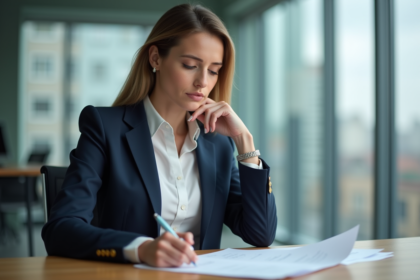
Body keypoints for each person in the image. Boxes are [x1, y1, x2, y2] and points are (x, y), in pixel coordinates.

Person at [42, 3, 277, 267]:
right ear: (155, 58)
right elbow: (60, 229)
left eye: (213, 70)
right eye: (190, 65)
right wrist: (141, 249)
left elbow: (261, 234)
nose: (203, 82)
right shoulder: (105, 128)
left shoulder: (217, 143)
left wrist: (244, 141)